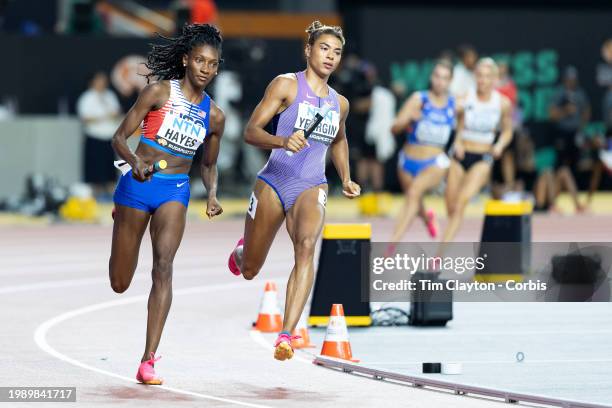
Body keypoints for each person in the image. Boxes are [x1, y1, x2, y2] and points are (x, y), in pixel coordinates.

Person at [227, 21, 360, 361]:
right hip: (274, 179)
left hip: (311, 184)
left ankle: (286, 334)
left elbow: (340, 139)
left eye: (337, 52)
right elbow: (251, 131)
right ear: (308, 50)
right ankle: (242, 252)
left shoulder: (339, 103)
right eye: (324, 49)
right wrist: (282, 140)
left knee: (306, 247)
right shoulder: (286, 86)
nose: (330, 57)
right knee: (251, 269)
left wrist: (345, 176)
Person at [108, 24, 225, 385]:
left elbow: (207, 164)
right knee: (120, 282)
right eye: (201, 60)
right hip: (137, 187)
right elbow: (119, 138)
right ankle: (121, 220)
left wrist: (212, 194)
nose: (206, 68)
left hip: (175, 190)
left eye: (213, 63)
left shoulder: (214, 115)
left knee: (164, 266)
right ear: (187, 60)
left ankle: (148, 360)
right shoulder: (158, 92)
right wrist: (135, 161)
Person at [443, 58, 513, 243]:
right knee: (450, 207)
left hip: (483, 158)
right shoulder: (465, 98)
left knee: (460, 205)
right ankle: (450, 234)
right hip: (460, 155)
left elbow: (507, 131)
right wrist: (457, 141)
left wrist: (499, 145)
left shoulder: (502, 103)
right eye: (480, 76)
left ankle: (438, 257)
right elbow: (457, 126)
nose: (483, 80)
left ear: (495, 78)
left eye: (488, 76)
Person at [388, 60, 455, 244]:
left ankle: (391, 246)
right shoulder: (419, 99)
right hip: (407, 161)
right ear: (431, 78)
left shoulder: (455, 105)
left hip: (435, 163)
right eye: (437, 76)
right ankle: (427, 218)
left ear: (450, 81)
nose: (440, 81)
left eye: (445, 78)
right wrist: (409, 118)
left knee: (414, 193)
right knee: (414, 200)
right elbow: (394, 128)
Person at [549, 66, 590, 212]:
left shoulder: (579, 93)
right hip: (562, 133)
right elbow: (552, 113)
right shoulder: (559, 93)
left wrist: (581, 126)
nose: (571, 81)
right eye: (569, 78)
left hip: (575, 133)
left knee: (573, 167)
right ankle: (556, 199)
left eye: (573, 79)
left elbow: (586, 110)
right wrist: (565, 111)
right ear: (565, 79)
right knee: (561, 168)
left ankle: (569, 198)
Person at [76, 71, 121, 199]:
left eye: (104, 80)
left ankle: (114, 201)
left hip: (109, 139)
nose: (102, 83)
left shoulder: (110, 95)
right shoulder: (86, 97)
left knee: (110, 173)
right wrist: (104, 116)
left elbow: (117, 112)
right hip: (94, 138)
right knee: (94, 174)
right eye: (99, 80)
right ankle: (93, 200)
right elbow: (85, 118)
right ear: (92, 82)